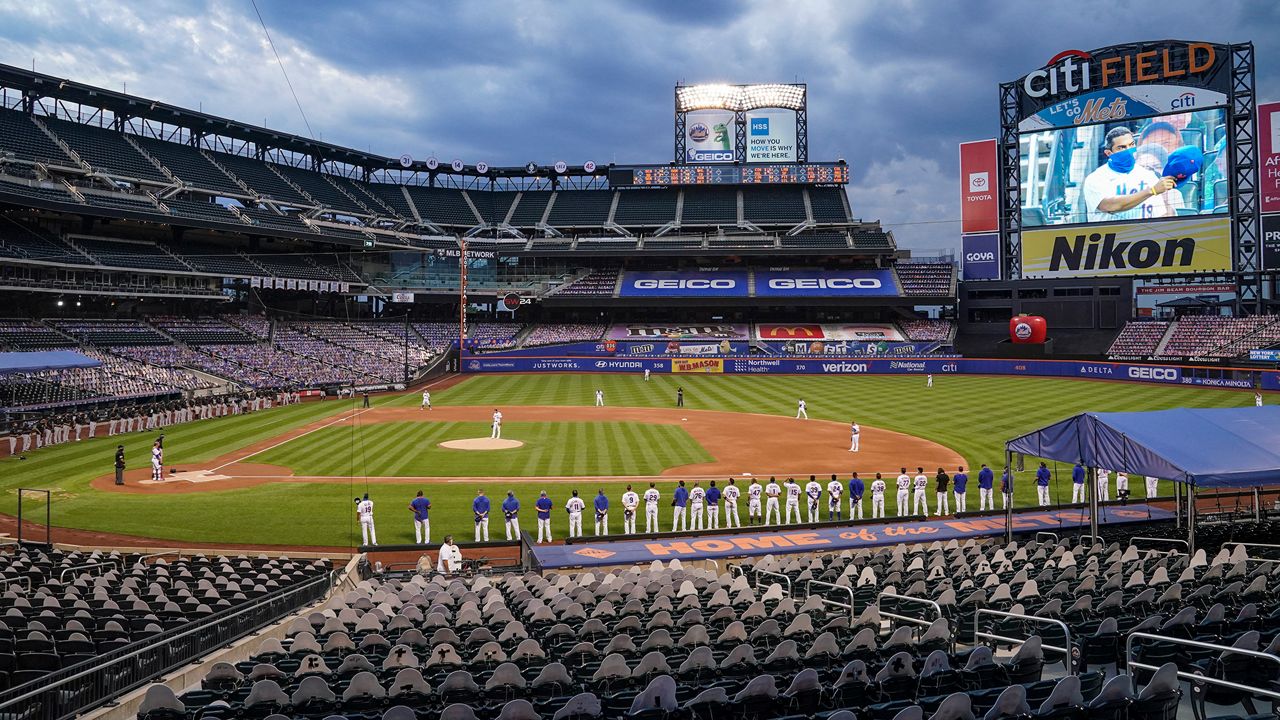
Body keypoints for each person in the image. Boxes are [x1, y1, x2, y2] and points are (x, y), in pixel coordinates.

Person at [1083, 125, 1176, 223]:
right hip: (1111, 235)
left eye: (1131, 145)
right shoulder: (1096, 178)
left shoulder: (1148, 175)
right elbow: (1110, 206)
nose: (1128, 150)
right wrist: (1151, 191)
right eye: (1122, 147)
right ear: (1109, 153)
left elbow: (1159, 214)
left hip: (1143, 235)